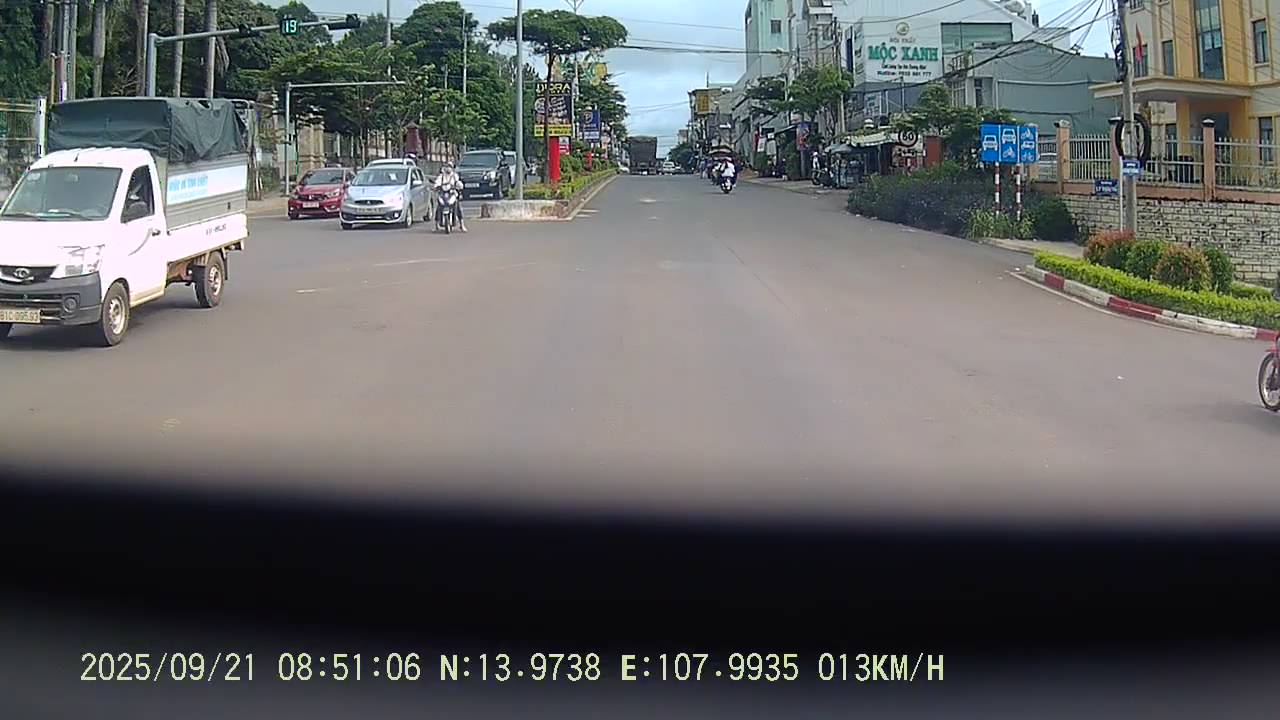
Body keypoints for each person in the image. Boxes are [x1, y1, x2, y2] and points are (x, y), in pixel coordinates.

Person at [431, 161, 467, 232]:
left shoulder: (454, 176)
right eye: (447, 167)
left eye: (450, 167)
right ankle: (436, 225)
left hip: (452, 194)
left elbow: (458, 183)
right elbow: (437, 183)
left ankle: (461, 225)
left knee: (458, 207)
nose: (448, 168)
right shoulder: (441, 176)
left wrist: (459, 186)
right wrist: (436, 187)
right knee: (439, 207)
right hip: (442, 194)